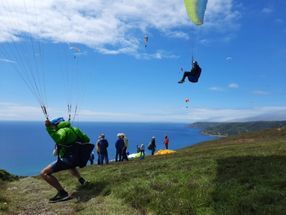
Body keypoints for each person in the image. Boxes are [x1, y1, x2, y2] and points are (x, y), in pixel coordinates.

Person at [40, 117, 90, 203]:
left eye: (53, 126)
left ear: (57, 125)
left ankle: (63, 193)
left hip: (68, 160)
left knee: (44, 173)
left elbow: (58, 139)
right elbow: (87, 139)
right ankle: (82, 181)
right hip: (78, 158)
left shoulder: (62, 130)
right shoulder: (75, 129)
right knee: (71, 166)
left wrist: (48, 128)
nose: (53, 127)